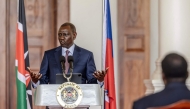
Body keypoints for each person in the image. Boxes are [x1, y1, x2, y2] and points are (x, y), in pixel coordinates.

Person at [28, 22, 107, 86]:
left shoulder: (86, 55)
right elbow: (43, 80)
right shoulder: (49, 55)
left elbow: (91, 82)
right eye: (60, 34)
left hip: (78, 103)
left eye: (65, 35)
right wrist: (36, 81)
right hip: (54, 102)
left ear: (74, 35)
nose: (61, 38)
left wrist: (99, 80)